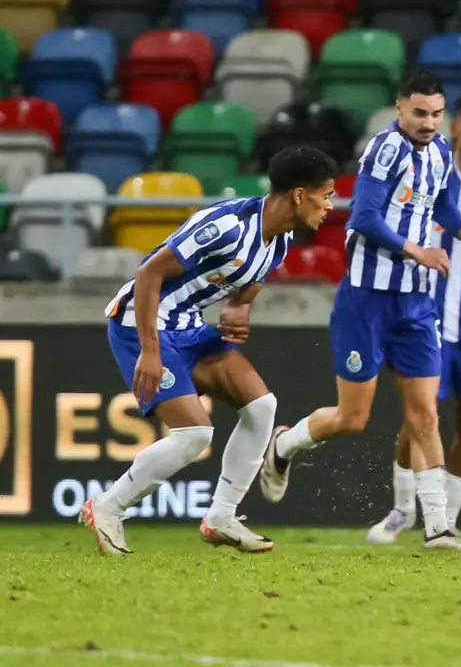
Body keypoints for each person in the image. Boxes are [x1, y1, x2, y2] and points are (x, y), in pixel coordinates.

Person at [260, 74, 461, 552]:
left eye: (436, 114)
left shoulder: (436, 155)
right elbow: (364, 218)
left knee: (424, 414)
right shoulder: (385, 150)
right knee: (353, 418)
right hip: (367, 300)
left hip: (414, 303)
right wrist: (419, 251)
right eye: (419, 113)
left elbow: (444, 206)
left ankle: (438, 528)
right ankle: (283, 444)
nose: (429, 123)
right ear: (399, 109)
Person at [81, 147, 339, 556]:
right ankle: (108, 507)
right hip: (141, 323)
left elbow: (247, 284)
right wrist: (150, 350)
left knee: (261, 407)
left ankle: (221, 516)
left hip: (188, 327)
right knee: (195, 433)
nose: (329, 205)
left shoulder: (280, 241)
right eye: (326, 194)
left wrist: (239, 307)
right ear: (298, 195)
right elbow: (148, 274)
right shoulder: (227, 226)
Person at [367, 90, 461, 544]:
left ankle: (446, 518)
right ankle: (402, 510)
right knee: (419, 414)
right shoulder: (433, 168)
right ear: (456, 127)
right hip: (428, 307)